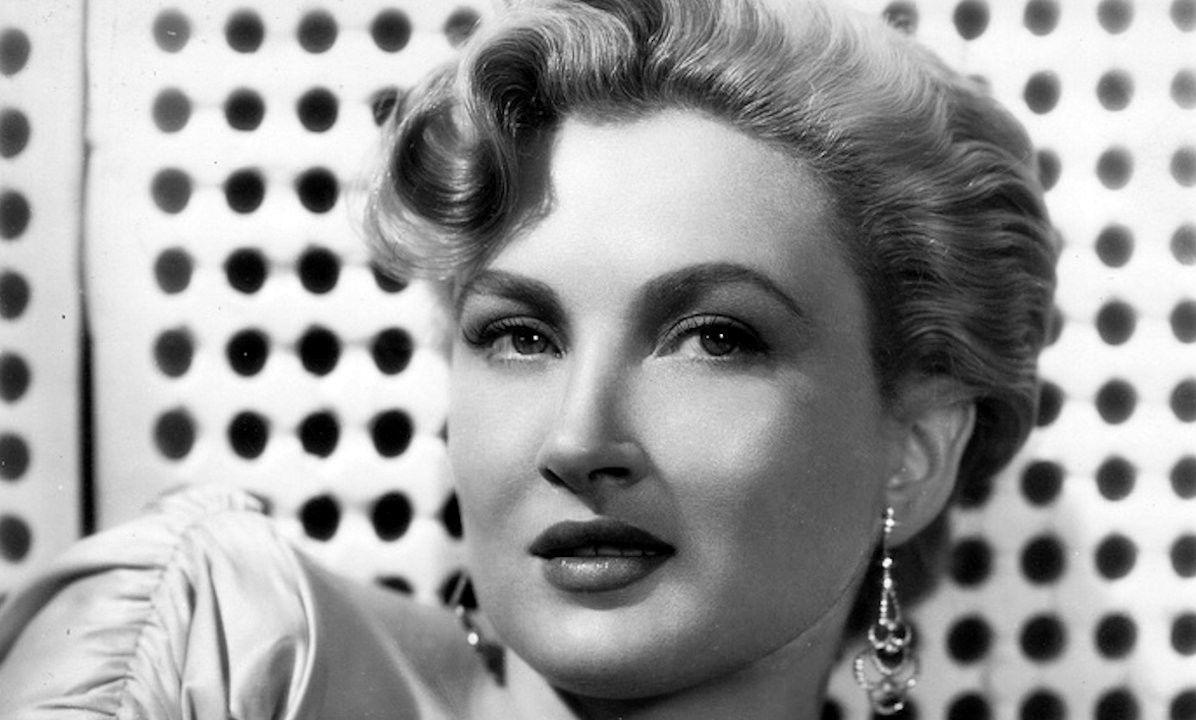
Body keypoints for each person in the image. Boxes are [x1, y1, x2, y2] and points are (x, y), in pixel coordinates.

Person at [0, 0, 1056, 717]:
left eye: (714, 338)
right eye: (520, 336)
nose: (578, 438)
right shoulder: (229, 659)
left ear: (915, 450)